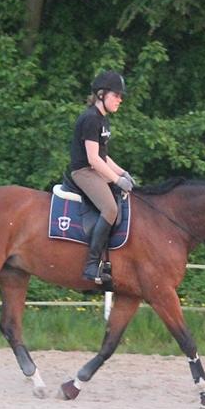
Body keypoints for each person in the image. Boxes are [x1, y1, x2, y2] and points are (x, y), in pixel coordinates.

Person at [69, 70, 135, 284]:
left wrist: (122, 172)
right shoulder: (90, 119)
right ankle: (91, 265)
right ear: (101, 95)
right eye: (116, 95)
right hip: (83, 171)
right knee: (110, 209)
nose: (120, 100)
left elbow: (104, 157)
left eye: (120, 96)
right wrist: (117, 180)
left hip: (95, 169)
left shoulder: (102, 120)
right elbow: (93, 159)